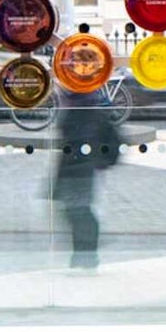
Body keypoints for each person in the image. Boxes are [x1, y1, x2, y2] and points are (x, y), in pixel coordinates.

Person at [49, 84, 123, 269]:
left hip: (79, 169)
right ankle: (84, 254)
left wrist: (96, 160)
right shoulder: (80, 106)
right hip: (74, 167)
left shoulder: (86, 109)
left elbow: (96, 139)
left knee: (79, 210)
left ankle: (86, 254)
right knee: (76, 210)